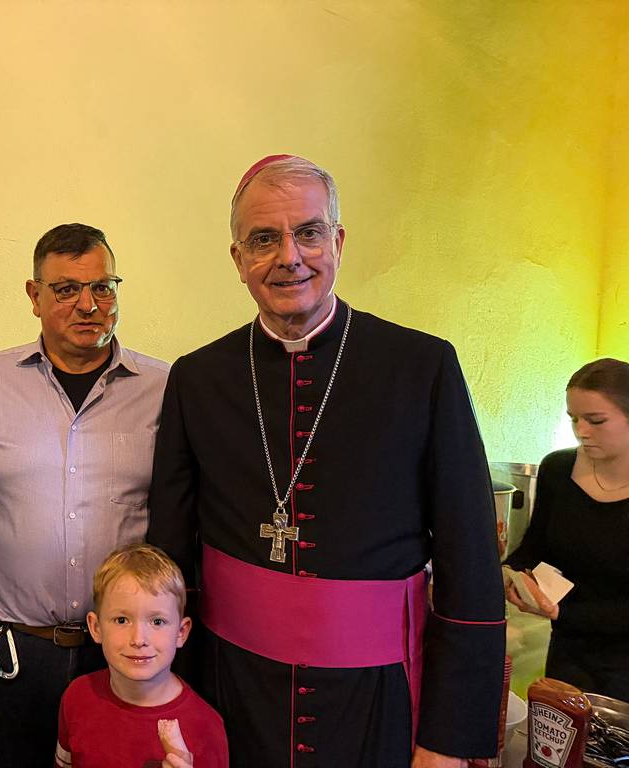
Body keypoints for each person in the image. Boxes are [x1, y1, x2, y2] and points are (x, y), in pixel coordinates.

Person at [147, 154, 507, 767]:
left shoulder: (421, 368)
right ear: (238, 259)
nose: (289, 256)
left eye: (308, 232)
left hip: (378, 698)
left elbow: (468, 559)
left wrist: (447, 739)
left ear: (337, 243)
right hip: (231, 690)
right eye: (264, 239)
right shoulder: (198, 378)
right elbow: (171, 551)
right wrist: (164, 696)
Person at [0, 223, 170, 766]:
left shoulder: (163, 390)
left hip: (123, 654)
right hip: (10, 652)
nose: (88, 305)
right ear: (34, 296)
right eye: (66, 289)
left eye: (102, 287)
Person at [505, 358, 629, 700]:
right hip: (569, 651)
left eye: (596, 420)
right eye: (574, 419)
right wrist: (513, 575)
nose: (581, 431)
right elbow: (535, 547)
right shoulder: (558, 469)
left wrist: (564, 612)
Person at [55, 543, 229, 768]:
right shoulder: (77, 698)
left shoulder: (206, 727)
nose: (138, 639)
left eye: (157, 621)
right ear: (96, 628)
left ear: (181, 632)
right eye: (121, 620)